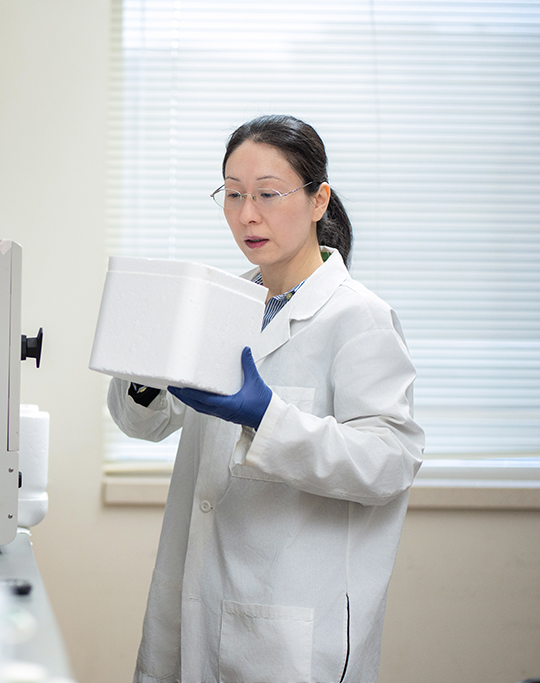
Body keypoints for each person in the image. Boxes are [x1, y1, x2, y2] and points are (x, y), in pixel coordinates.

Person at [108, 114, 425, 683]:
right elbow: (145, 424)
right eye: (233, 194)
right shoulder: (219, 304)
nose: (247, 214)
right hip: (195, 599)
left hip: (288, 631)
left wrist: (267, 417)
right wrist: (145, 373)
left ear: (318, 200)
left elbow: (389, 462)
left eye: (267, 194)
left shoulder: (360, 319)